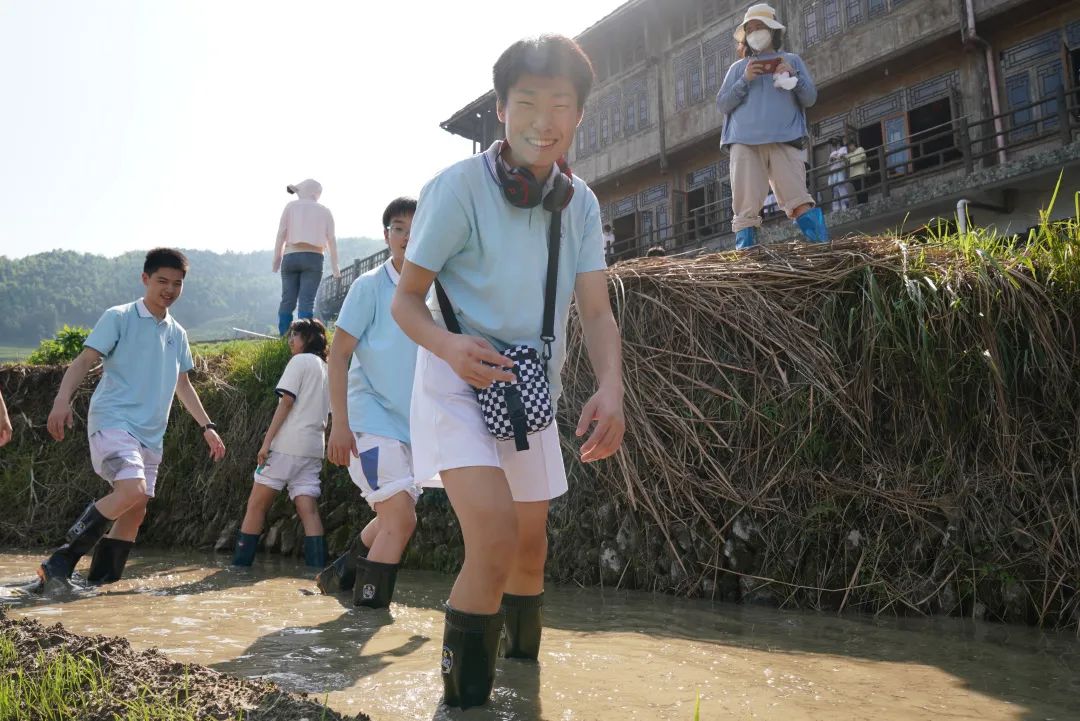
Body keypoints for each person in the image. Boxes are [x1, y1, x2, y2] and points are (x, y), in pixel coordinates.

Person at [392, 34, 625, 709]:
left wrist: (612, 386)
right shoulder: (455, 190)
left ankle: (524, 684)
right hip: (456, 380)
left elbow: (598, 312)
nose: (543, 120)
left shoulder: (580, 204)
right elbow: (408, 300)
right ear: (500, 108)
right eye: (527, 102)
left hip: (530, 392)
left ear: (579, 116)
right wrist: (448, 346)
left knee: (530, 550)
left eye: (561, 105)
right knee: (492, 539)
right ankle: (461, 706)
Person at [34, 248, 226, 591]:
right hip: (113, 420)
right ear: (145, 279)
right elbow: (84, 360)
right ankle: (60, 560)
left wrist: (207, 426)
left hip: (152, 434)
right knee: (131, 490)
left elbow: (182, 385)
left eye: (177, 284)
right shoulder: (119, 317)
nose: (169, 289)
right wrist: (62, 401)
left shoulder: (177, 333)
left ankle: (99, 585)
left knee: (135, 509)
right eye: (162, 281)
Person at [319, 197, 425, 609]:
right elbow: (339, 354)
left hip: (412, 426)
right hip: (369, 419)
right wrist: (339, 424)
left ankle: (340, 575)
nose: (407, 238)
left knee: (389, 518)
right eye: (399, 229)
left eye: (417, 230)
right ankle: (365, 622)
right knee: (400, 520)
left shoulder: (436, 288)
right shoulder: (369, 287)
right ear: (387, 236)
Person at [716, 3, 828, 250]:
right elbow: (723, 104)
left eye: (760, 27)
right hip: (744, 143)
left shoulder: (792, 60)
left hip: (784, 139)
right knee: (745, 209)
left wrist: (794, 78)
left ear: (773, 31)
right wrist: (745, 80)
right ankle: (746, 258)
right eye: (751, 29)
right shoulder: (738, 69)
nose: (755, 32)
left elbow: (809, 98)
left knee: (798, 198)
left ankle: (822, 251)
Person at [232, 318, 330, 569]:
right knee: (308, 509)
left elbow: (286, 402)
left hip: (287, 446)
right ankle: (317, 571)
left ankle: (239, 570)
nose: (290, 341)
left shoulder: (299, 361)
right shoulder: (327, 368)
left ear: (307, 339)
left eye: (294, 336)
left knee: (256, 505)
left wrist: (266, 443)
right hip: (313, 448)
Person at [274, 179, 340, 336]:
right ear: (316, 193)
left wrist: (276, 259)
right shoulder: (324, 210)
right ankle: (303, 338)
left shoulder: (290, 207)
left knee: (287, 300)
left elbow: (281, 234)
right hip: (314, 257)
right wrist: (335, 266)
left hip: (290, 256)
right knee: (307, 302)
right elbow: (331, 239)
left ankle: (284, 336)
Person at [827, 137, 853, 212]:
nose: (834, 144)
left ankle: (845, 205)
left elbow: (844, 157)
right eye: (832, 143)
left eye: (835, 142)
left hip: (840, 169)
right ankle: (836, 208)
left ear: (839, 142)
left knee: (841, 187)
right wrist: (831, 160)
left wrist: (837, 157)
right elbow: (828, 163)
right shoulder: (831, 153)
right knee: (835, 189)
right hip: (833, 170)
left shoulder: (843, 149)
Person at [846, 139, 868, 205]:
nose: (850, 147)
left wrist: (853, 161)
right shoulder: (849, 154)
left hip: (860, 172)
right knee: (857, 190)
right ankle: (860, 204)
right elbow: (844, 160)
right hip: (853, 175)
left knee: (862, 189)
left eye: (851, 145)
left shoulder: (860, 149)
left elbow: (863, 158)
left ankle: (865, 203)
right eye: (849, 146)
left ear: (854, 144)